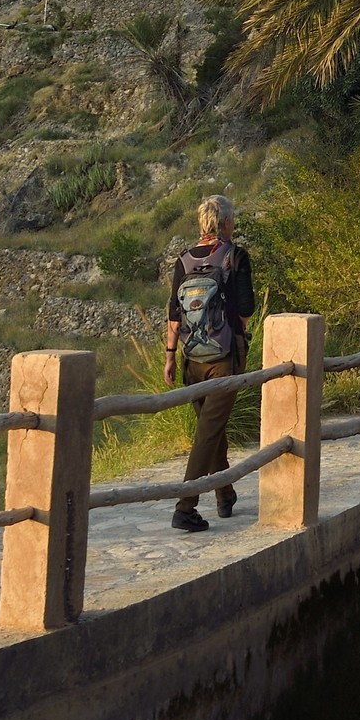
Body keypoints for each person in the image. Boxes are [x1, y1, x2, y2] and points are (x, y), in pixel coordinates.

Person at [164, 193, 256, 533]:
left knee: (211, 430)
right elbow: (247, 308)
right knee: (208, 433)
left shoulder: (184, 260)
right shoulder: (235, 256)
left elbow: (175, 314)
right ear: (227, 222)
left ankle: (225, 493)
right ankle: (185, 507)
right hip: (224, 358)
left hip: (190, 359)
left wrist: (170, 356)